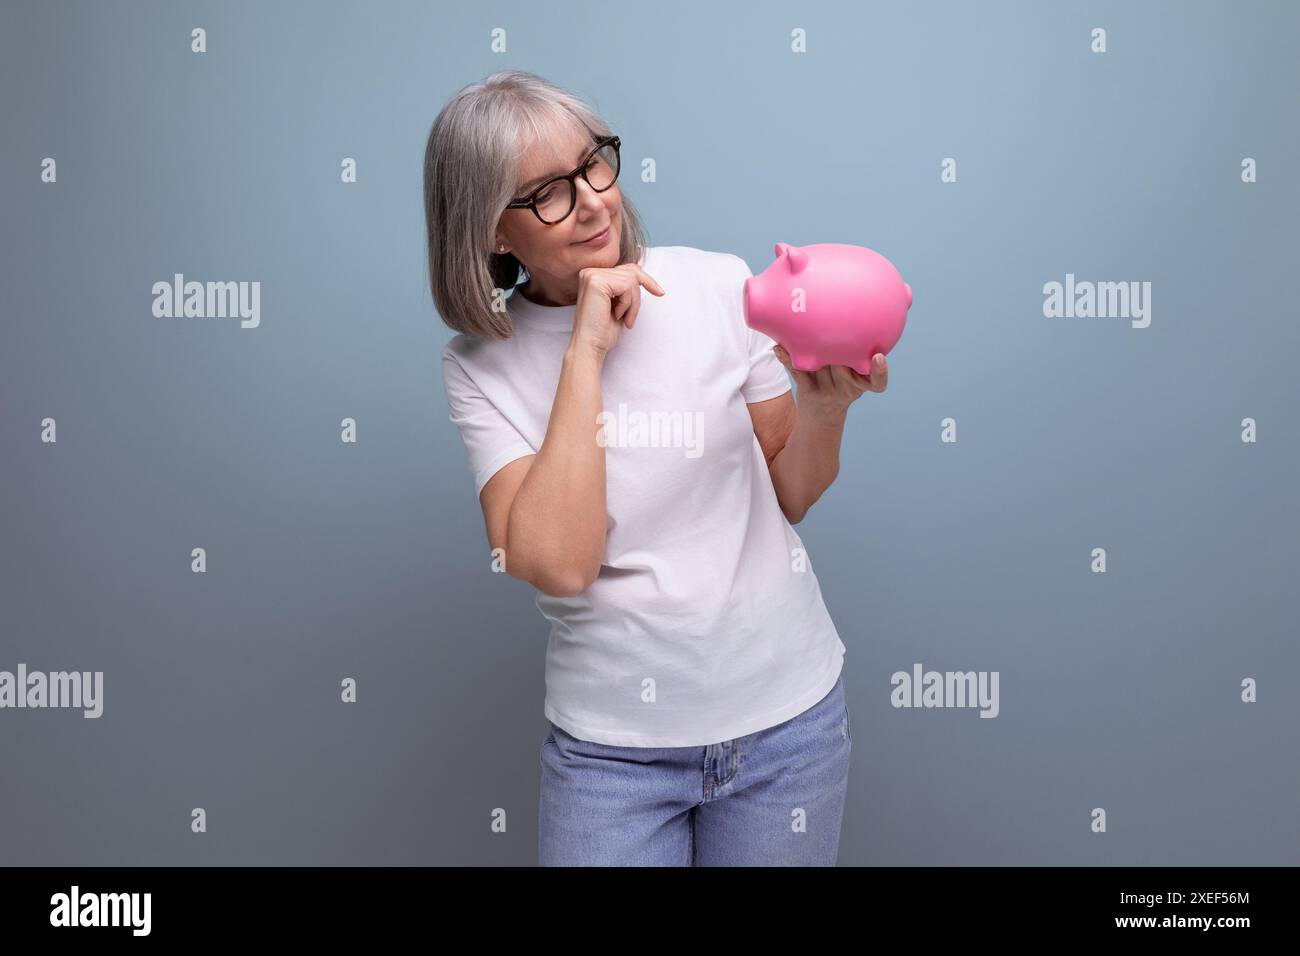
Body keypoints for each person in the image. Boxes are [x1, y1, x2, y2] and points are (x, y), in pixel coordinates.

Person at [423, 70, 888, 866]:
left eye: (593, 164)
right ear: (492, 231)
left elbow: (794, 491)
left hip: (788, 728)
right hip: (614, 757)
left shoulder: (717, 287)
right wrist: (586, 351)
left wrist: (827, 406)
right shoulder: (480, 368)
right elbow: (559, 564)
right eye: (546, 194)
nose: (595, 199)